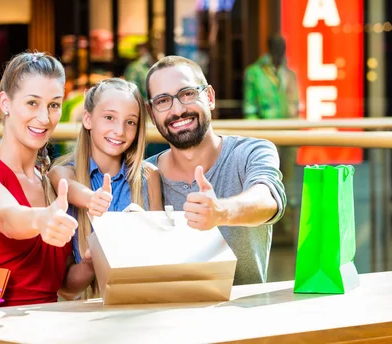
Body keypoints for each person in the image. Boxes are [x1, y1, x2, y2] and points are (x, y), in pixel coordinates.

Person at [0, 51, 95, 306]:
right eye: (32, 103)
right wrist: (42, 219)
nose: (44, 118)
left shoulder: (51, 182)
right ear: (5, 103)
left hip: (46, 325)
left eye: (54, 105)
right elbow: (9, 218)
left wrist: (91, 262)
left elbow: (63, 285)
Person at [144, 56, 286, 285]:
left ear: (209, 97)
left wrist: (220, 211)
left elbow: (268, 200)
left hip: (244, 316)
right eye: (162, 101)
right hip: (166, 318)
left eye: (187, 93)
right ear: (152, 114)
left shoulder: (251, 152)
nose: (178, 109)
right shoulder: (143, 176)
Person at [50, 78, 163, 267]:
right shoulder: (63, 172)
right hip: (86, 295)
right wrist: (92, 200)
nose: (119, 131)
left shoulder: (149, 175)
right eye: (109, 117)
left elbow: (161, 249)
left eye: (130, 122)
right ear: (87, 119)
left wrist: (147, 230)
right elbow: (67, 186)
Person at [243, 35, 299, 239]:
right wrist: (256, 137)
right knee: (266, 181)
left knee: (288, 182)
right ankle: (269, 231)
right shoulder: (254, 73)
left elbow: (295, 106)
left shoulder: (290, 74)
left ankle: (286, 230)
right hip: (265, 138)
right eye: (276, 47)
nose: (280, 52)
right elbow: (249, 107)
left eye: (282, 48)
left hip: (289, 137)